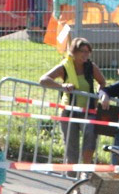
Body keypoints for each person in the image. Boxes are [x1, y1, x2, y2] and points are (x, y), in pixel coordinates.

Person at [39, 37, 107, 169]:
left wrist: (101, 93)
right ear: (74, 52)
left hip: (88, 111)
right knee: (71, 147)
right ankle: (72, 180)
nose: (86, 55)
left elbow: (102, 82)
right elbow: (43, 80)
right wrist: (62, 86)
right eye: (83, 51)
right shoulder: (65, 67)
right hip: (68, 111)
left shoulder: (91, 67)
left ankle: (85, 169)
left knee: (90, 136)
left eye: (88, 52)